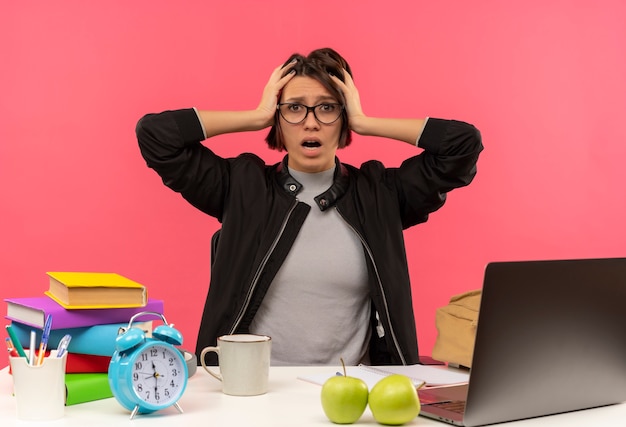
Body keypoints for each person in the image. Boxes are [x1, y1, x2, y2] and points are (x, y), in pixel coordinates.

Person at [136, 48, 483, 367]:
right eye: (294, 107)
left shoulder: (381, 194)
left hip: (353, 397)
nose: (311, 121)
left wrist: (363, 122)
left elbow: (463, 146)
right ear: (278, 117)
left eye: (328, 107)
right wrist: (256, 116)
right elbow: (156, 136)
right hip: (253, 394)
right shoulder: (242, 186)